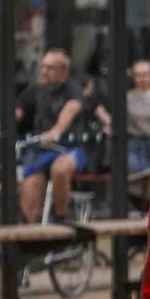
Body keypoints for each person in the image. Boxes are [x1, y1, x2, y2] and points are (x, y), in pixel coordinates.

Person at [13, 48, 92, 222]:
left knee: (60, 170)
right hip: (41, 150)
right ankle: (31, 234)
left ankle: (60, 219)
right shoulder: (34, 90)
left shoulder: (73, 89)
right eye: (43, 67)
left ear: (63, 70)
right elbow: (17, 112)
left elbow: (70, 110)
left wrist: (56, 131)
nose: (44, 72)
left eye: (50, 68)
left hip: (69, 147)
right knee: (30, 185)